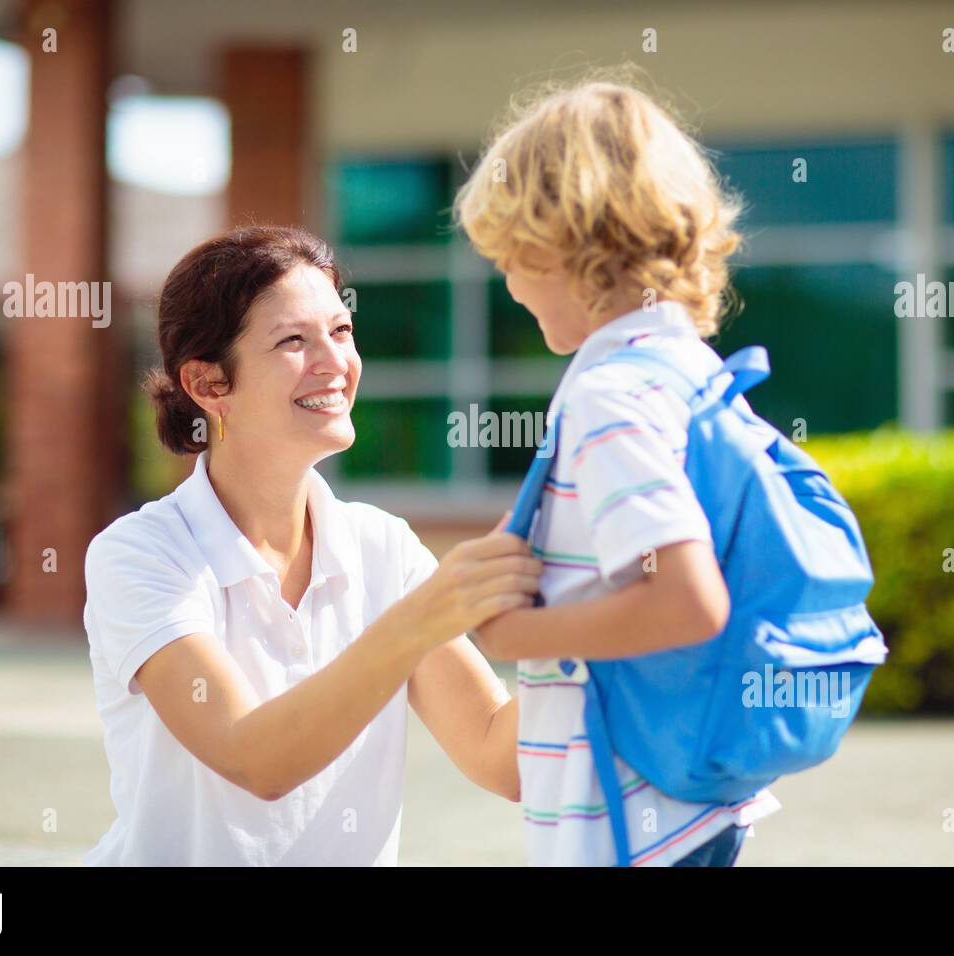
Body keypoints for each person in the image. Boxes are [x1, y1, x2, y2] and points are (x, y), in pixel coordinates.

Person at [82, 224, 541, 865]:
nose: (335, 363)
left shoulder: (384, 546)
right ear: (209, 384)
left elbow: (501, 755)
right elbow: (256, 757)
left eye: (341, 331)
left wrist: (587, 623)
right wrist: (425, 616)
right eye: (294, 340)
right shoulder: (140, 555)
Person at [455, 76, 781, 866]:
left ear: (562, 247)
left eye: (511, 257)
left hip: (631, 820)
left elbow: (686, 598)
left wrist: (515, 631)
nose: (508, 284)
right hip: (696, 799)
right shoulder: (689, 369)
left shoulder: (608, 397)